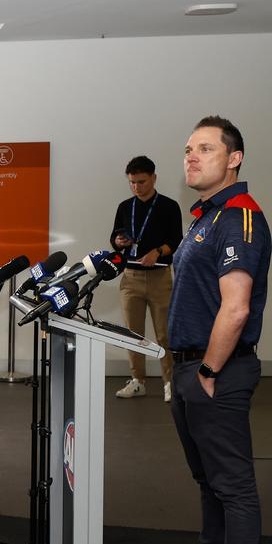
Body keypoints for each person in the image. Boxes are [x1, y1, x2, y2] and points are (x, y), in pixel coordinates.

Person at [149, 116, 270, 544]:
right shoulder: (205, 216)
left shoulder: (239, 217)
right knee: (209, 481)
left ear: (234, 158)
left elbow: (236, 307)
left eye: (205, 148)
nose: (191, 157)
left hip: (215, 370)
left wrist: (210, 371)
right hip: (190, 367)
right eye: (187, 149)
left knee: (234, 488)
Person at [110, 155, 183, 402]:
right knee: (133, 333)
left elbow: (175, 240)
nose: (136, 187)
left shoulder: (169, 206)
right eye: (132, 182)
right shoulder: (124, 207)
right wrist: (119, 242)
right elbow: (115, 238)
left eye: (141, 181)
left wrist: (158, 252)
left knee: (164, 334)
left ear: (153, 177)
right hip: (130, 278)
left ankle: (169, 382)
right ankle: (138, 380)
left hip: (160, 277)